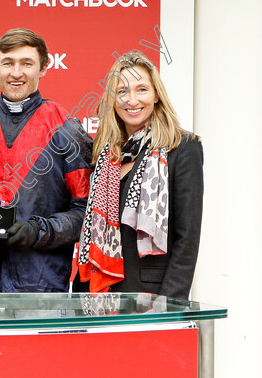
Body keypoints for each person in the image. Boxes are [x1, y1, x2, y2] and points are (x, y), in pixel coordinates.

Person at [0, 28, 93, 292]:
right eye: (7, 63)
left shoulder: (68, 130)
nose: (16, 73)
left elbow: (86, 213)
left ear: (43, 68)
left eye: (26, 64)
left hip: (43, 289)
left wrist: (37, 231)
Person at [75, 51, 203, 298]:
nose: (131, 100)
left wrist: (169, 306)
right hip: (97, 293)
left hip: (150, 297)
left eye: (141, 89)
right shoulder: (105, 152)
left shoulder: (182, 147)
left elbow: (187, 240)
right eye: (122, 91)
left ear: (156, 95)